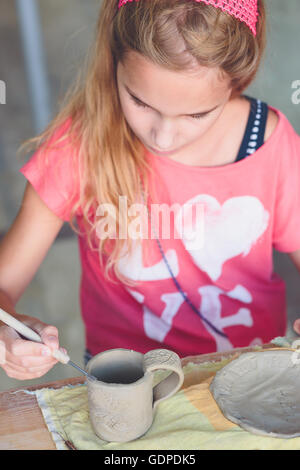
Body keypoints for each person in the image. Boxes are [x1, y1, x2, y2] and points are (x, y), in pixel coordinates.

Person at [0, 0, 300, 381]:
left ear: (238, 79)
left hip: (250, 380)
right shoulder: (81, 145)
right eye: (140, 101)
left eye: (196, 114)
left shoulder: (268, 144)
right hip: (126, 388)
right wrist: (9, 335)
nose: (162, 136)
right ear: (114, 60)